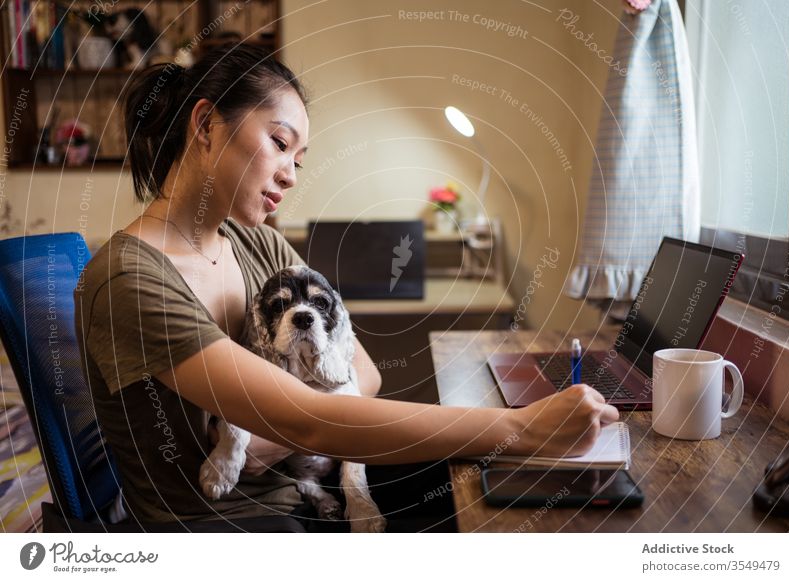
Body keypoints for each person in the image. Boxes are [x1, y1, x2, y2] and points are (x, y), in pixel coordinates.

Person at [73, 44, 618, 532]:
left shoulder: (254, 244)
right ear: (206, 124)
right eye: (280, 143)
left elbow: (364, 373)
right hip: (233, 524)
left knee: (502, 488)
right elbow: (312, 419)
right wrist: (520, 428)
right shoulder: (130, 279)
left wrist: (268, 440)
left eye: (300, 161)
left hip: (306, 487)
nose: (290, 173)